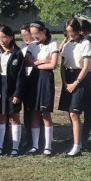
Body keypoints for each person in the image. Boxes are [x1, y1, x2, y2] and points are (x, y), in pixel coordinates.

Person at [0, 25, 25, 156]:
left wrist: (17, 93)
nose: (1, 40)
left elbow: (21, 75)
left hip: (12, 89)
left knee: (14, 117)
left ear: (11, 37)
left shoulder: (18, 53)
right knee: (0, 116)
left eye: (4, 37)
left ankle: (15, 147)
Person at [58, 18, 91, 157]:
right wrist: (65, 81)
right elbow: (62, 65)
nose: (70, 34)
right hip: (68, 77)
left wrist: (75, 83)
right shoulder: (67, 44)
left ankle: (77, 146)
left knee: (74, 113)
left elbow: (86, 67)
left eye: (72, 31)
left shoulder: (86, 44)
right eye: (67, 32)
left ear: (78, 30)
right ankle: (75, 139)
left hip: (81, 78)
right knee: (70, 112)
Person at [25, 22, 59, 156]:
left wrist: (36, 63)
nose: (34, 36)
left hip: (46, 79)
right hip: (33, 79)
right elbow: (28, 60)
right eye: (32, 34)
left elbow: (53, 65)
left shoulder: (53, 44)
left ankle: (47, 146)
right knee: (34, 111)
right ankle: (34, 145)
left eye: (36, 33)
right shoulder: (32, 45)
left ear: (44, 31)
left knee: (45, 113)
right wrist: (43, 61)